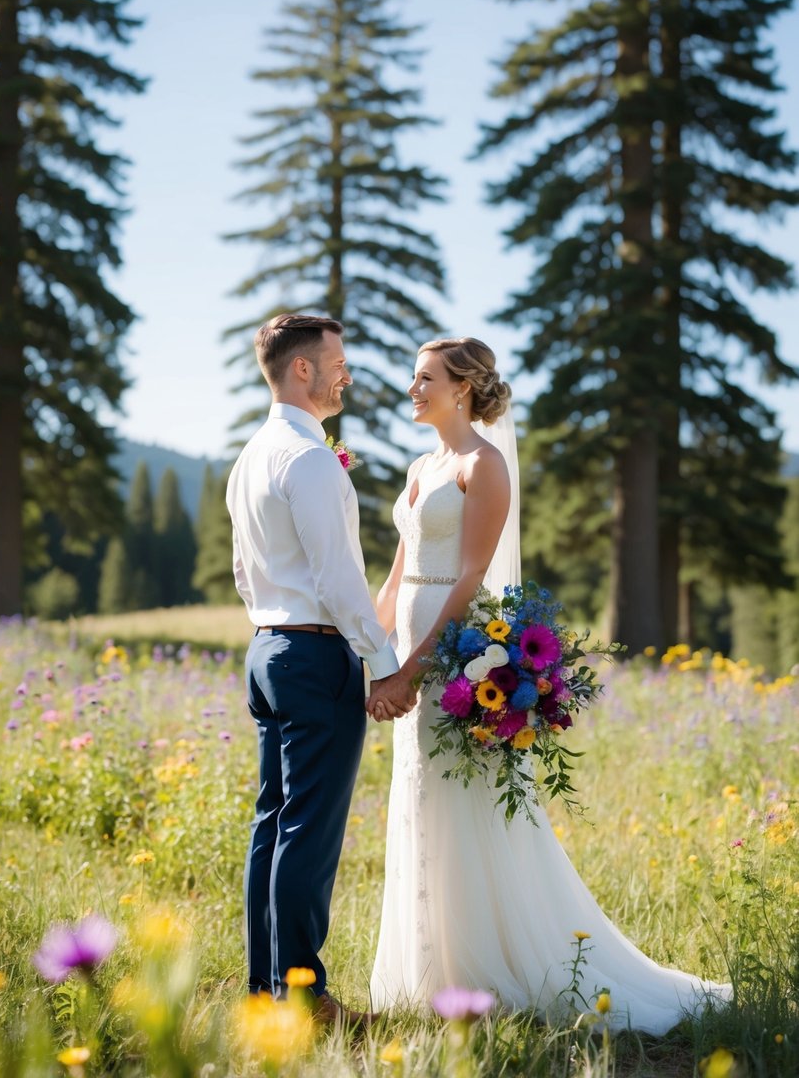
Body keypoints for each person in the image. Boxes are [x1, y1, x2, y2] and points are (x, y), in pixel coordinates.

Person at [366, 336, 732, 1034]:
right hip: (404, 644)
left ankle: (485, 974)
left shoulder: (484, 466)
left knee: (461, 804)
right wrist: (364, 649)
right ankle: (429, 971)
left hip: (449, 656)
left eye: (425, 379)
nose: (412, 389)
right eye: (413, 378)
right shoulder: (421, 464)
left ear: (463, 388)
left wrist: (412, 668)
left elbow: (470, 577)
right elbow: (395, 576)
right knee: (420, 801)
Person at [226, 313, 401, 1025]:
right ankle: (302, 998)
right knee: (308, 831)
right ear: (302, 369)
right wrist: (382, 664)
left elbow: (244, 571)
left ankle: (267, 990)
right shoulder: (308, 460)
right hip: (313, 651)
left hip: (268, 648)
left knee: (274, 824)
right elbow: (337, 578)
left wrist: (272, 629)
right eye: (337, 360)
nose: (345, 373)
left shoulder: (252, 456)